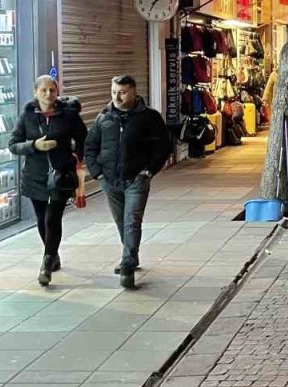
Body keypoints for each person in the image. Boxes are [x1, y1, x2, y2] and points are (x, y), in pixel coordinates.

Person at [84, 76, 172, 289]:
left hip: (136, 179)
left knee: (132, 220)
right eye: (114, 91)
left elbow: (163, 147)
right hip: (110, 180)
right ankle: (131, 254)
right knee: (120, 221)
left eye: (122, 92)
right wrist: (98, 174)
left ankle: (127, 265)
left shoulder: (149, 117)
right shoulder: (103, 118)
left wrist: (148, 171)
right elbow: (89, 147)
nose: (117, 96)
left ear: (134, 92)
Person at [9, 76, 86, 287]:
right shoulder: (27, 113)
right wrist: (34, 146)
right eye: (43, 90)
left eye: (52, 90)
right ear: (36, 92)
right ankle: (53, 253)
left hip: (61, 175)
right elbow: (13, 144)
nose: (48, 94)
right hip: (35, 175)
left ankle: (47, 262)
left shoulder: (68, 114)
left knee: (53, 218)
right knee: (42, 219)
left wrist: (76, 158)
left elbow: (83, 138)